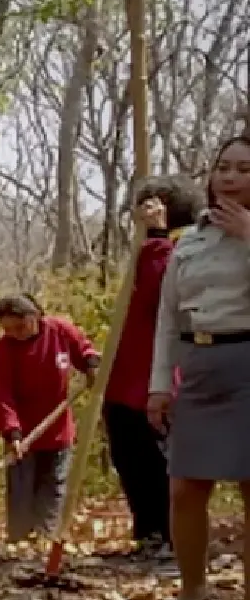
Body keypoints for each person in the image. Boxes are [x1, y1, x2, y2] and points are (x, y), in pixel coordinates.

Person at [149, 135, 250, 600]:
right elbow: (168, 319)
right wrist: (159, 386)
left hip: (247, 362)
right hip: (199, 362)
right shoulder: (188, 241)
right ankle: (193, 591)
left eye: (243, 169)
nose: (230, 177)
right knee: (185, 486)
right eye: (222, 167)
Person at [103, 177, 201, 558]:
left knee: (159, 461)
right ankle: (149, 534)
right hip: (125, 377)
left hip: (160, 377)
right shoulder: (142, 251)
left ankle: (174, 538)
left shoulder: (182, 247)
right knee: (129, 458)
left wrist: (157, 236)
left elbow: (167, 292)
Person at [0, 295, 99, 542]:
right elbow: (3, 397)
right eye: (7, 329)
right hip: (23, 434)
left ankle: (45, 540)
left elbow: (84, 349)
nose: (14, 334)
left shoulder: (59, 331)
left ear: (35, 317)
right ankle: (18, 542)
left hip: (58, 429)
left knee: (53, 488)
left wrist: (91, 365)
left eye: (19, 327)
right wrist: (12, 433)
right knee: (21, 493)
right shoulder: (3, 351)